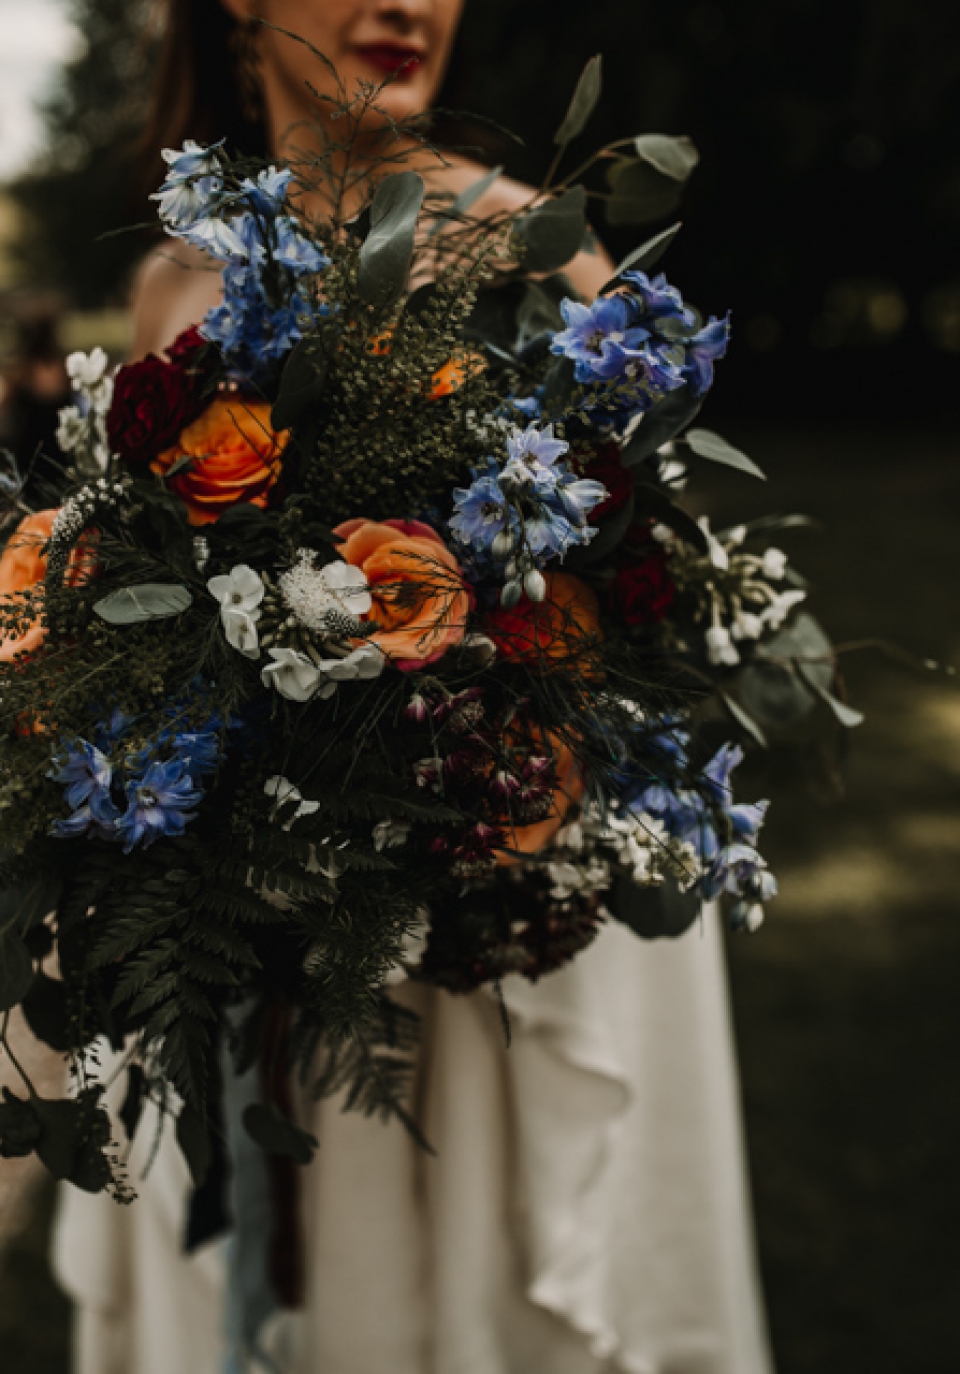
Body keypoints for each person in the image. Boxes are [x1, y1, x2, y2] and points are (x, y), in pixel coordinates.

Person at [53, 4, 776, 1372]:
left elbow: (634, 631)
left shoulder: (536, 247)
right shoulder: (173, 289)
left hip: (477, 984)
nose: (404, 5)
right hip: (261, 983)